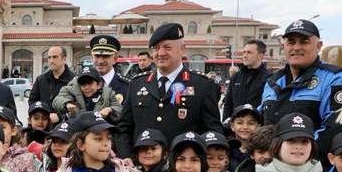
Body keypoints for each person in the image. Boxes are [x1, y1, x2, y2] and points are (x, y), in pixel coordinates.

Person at [116, 23, 223, 158]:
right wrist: (126, 158)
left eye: (167, 47)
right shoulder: (137, 83)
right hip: (142, 166)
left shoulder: (202, 85)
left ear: (182, 49)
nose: (160, 53)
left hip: (181, 169)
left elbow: (211, 131)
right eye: (156, 48)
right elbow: (124, 128)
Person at [259, 19, 342, 129]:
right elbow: (258, 121)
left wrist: (293, 146)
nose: (296, 48)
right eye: (291, 42)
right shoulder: (273, 81)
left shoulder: (335, 79)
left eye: (304, 42)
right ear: (284, 47)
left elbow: (334, 128)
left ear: (318, 46)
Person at [222, 40, 270, 124]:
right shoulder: (236, 77)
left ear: (260, 56)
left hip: (258, 129)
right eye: (244, 52)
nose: (245, 55)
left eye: (249, 52)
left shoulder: (269, 78)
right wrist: (226, 124)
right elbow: (228, 104)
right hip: (236, 130)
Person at [53, 67, 122, 121]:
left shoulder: (108, 93)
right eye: (83, 84)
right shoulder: (71, 89)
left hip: (98, 131)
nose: (86, 87)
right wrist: (67, 104)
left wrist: (109, 109)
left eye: (90, 83)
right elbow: (56, 100)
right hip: (77, 131)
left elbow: (119, 109)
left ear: (99, 85)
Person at [29, 46, 75, 120]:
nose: (51, 61)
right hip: (44, 125)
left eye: (55, 57)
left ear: (64, 59)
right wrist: (42, 116)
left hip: (66, 126)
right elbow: (32, 101)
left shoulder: (74, 80)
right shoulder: (41, 80)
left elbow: (78, 106)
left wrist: (60, 117)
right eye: (49, 57)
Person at [228, 104, 262, 171]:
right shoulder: (226, 149)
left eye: (251, 123)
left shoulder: (262, 151)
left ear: (258, 127)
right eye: (240, 123)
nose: (245, 127)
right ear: (232, 126)